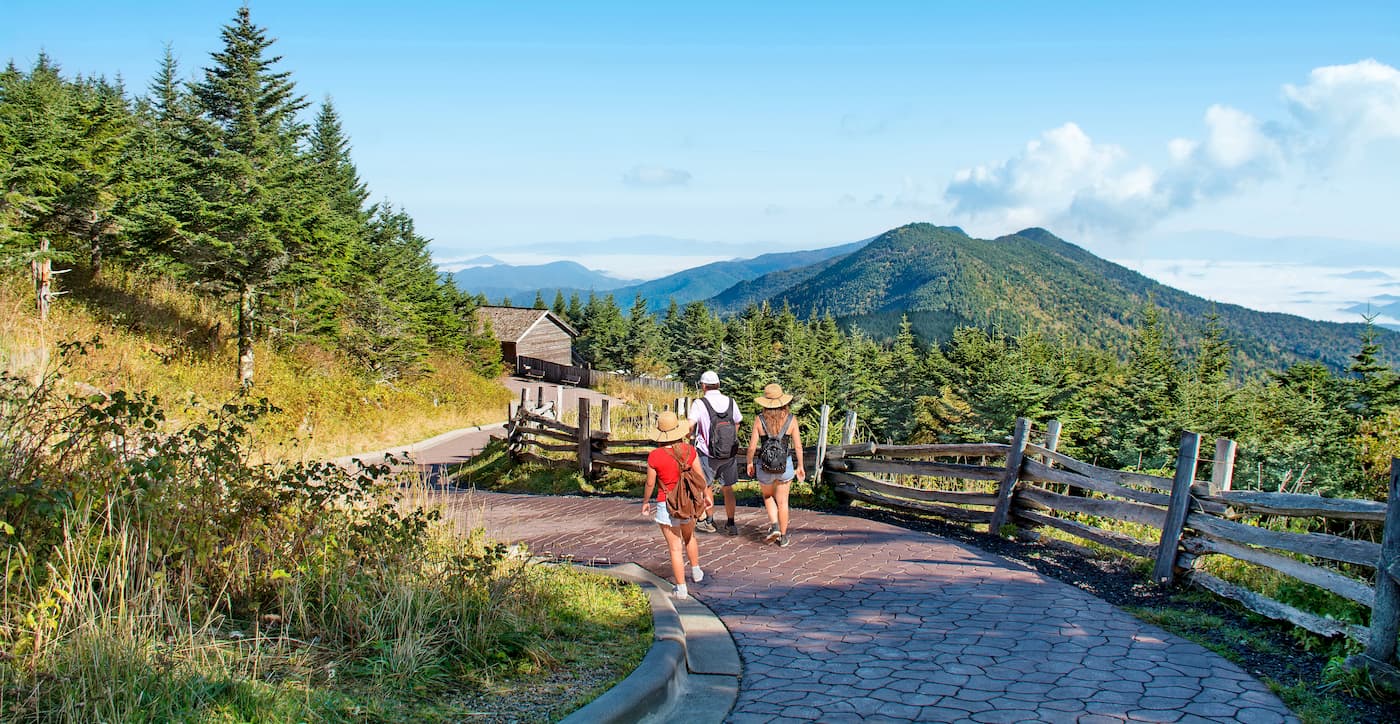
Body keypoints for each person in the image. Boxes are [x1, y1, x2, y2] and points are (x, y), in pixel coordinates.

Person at [642, 411, 709, 599]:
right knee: (689, 536)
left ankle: (681, 588)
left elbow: (650, 483)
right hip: (687, 500)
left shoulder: (655, 456)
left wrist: (646, 502)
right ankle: (696, 570)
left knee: (674, 548)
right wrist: (704, 496)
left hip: (666, 503)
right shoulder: (689, 451)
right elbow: (699, 476)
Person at [746, 383, 804, 547]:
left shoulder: (760, 419)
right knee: (783, 502)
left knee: (767, 496)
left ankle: (774, 525)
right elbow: (798, 446)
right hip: (785, 465)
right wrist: (800, 466)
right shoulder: (791, 419)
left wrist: (749, 462)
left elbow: (752, 447)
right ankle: (784, 537)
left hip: (764, 465)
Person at [687, 370, 743, 536]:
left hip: (707, 453)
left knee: (706, 486)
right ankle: (731, 523)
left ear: (703, 386)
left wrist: (691, 435)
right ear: (718, 384)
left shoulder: (699, 403)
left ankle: (709, 521)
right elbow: (737, 422)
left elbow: (690, 425)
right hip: (729, 453)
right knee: (728, 488)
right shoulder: (730, 401)